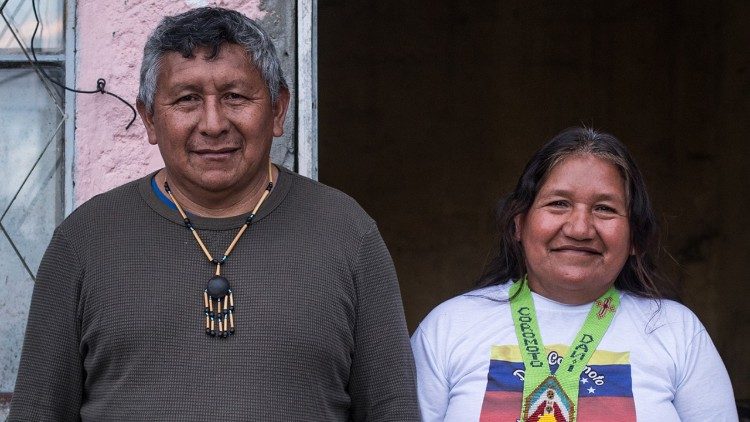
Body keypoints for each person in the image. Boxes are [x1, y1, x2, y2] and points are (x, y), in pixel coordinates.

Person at [9, 7, 419, 421]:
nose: (213, 123)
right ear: (150, 118)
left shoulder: (347, 234)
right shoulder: (85, 240)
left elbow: (392, 409)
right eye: (187, 99)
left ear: (278, 109)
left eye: (235, 97)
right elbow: (38, 412)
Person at [411, 127, 738, 421]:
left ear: (635, 237)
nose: (580, 228)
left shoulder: (676, 332)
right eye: (558, 204)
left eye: (605, 208)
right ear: (519, 224)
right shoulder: (450, 327)